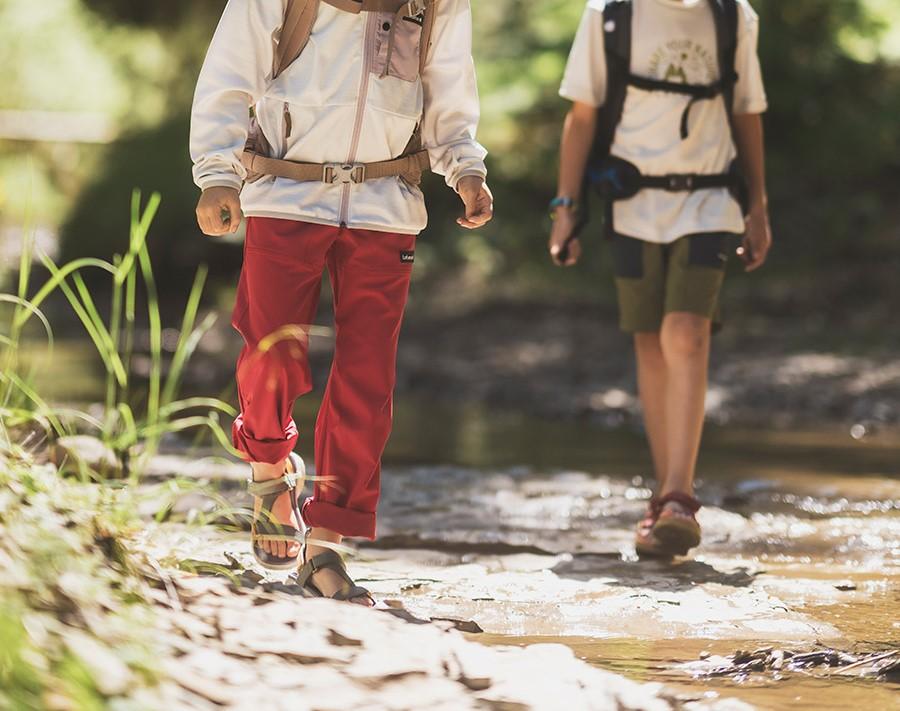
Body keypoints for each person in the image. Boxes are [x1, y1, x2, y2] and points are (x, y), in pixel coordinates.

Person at [190, 0, 492, 604]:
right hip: (284, 192)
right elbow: (230, 72)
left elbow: (449, 86)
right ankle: (270, 467)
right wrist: (216, 173)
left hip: (387, 202)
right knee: (271, 348)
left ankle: (327, 543)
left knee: (366, 376)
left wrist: (464, 168)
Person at [549, 0, 772, 557]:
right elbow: (582, 116)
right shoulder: (609, 16)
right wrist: (565, 208)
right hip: (632, 205)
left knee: (684, 332)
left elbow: (747, 111)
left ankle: (679, 496)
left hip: (711, 200)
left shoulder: (733, 16)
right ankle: (662, 500)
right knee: (649, 343)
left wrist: (759, 206)